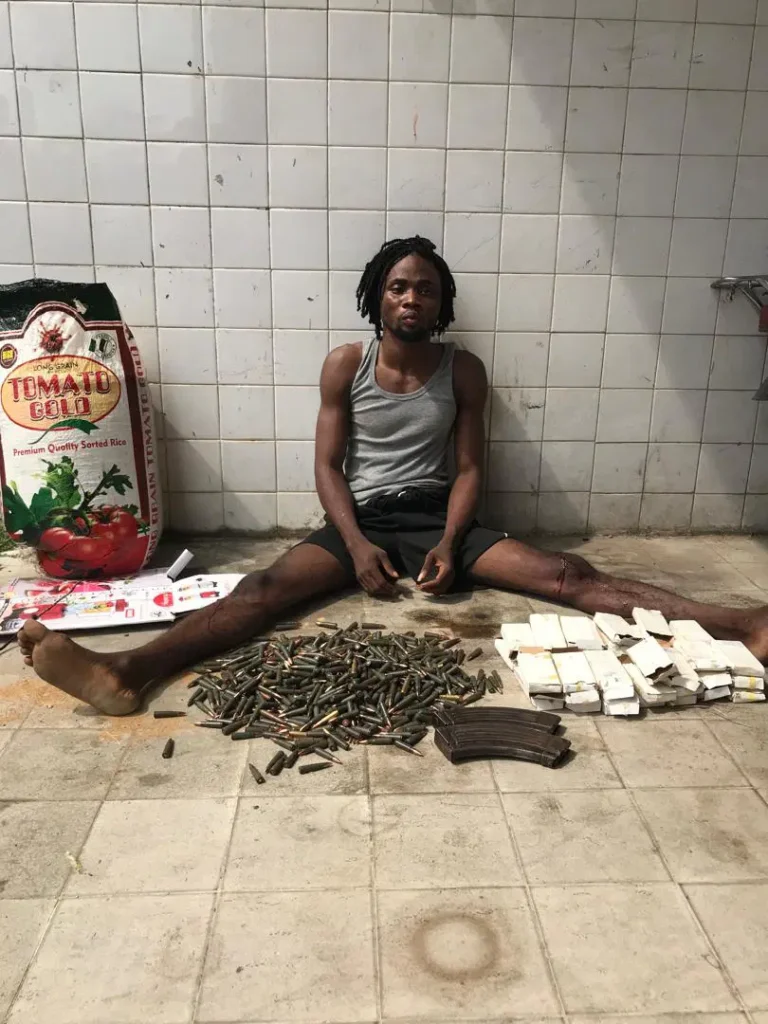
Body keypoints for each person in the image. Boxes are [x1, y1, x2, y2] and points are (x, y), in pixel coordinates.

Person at [17, 236, 768, 715]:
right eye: (400, 286)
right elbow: (326, 466)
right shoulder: (346, 364)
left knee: (567, 575)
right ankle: (127, 671)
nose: (412, 298)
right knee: (266, 590)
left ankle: (745, 625)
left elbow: (469, 467)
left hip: (439, 514)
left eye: (426, 289)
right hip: (364, 518)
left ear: (442, 304)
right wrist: (355, 545)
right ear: (378, 293)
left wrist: (449, 541)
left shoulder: (464, 369)